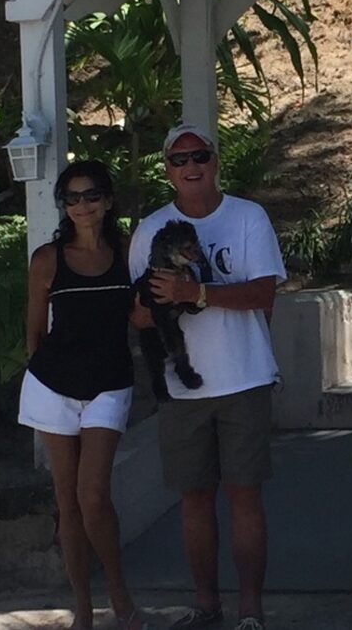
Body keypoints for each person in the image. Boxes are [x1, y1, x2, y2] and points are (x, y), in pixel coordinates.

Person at [129, 124, 286, 630]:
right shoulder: (151, 228)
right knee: (193, 497)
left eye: (199, 155)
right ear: (168, 171)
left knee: (245, 494)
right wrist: (159, 305)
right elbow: (136, 314)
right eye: (178, 159)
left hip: (244, 378)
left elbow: (264, 294)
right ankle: (205, 605)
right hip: (181, 387)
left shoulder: (248, 217)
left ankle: (251, 611)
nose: (190, 166)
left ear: (215, 161)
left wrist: (196, 295)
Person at [18, 159, 148, 630]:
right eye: (71, 198)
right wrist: (42, 372)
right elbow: (34, 331)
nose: (81, 206)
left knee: (93, 495)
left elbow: (144, 313)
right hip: (53, 386)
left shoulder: (130, 253)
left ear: (107, 200)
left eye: (91, 195)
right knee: (67, 500)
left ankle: (120, 595)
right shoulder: (47, 260)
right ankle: (83, 610)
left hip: (110, 384)